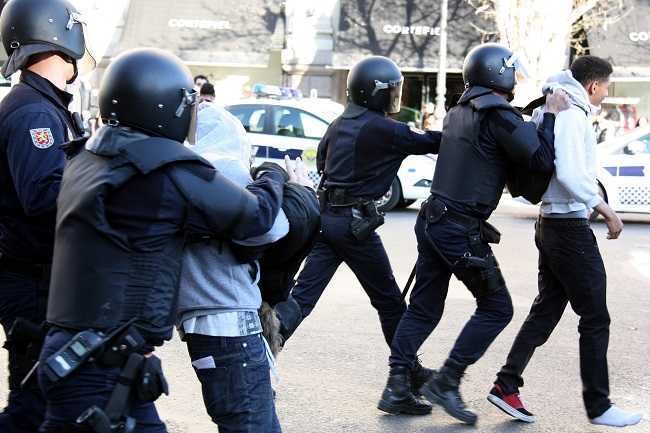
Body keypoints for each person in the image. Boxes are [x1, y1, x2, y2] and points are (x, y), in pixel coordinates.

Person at [36, 48, 288, 432]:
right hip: (98, 366)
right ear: (168, 104)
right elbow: (257, 217)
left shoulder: (86, 156)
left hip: (88, 356)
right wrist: (273, 174)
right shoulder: (163, 169)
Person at [380, 43, 570, 424]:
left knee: (423, 308)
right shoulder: (497, 114)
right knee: (497, 308)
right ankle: (447, 381)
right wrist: (548, 115)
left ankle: (397, 386)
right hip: (459, 228)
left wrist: (528, 114)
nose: (515, 78)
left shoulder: (459, 111)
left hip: (432, 219)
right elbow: (540, 159)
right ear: (499, 73)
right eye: (511, 71)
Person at [272, 55, 442, 413]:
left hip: (328, 219)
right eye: (393, 90)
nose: (395, 97)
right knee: (390, 303)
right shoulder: (383, 128)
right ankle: (404, 379)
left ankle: (261, 354)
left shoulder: (338, 123)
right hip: (354, 225)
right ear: (378, 92)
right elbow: (433, 142)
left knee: (302, 298)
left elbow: (321, 162)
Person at [488, 56, 642, 428]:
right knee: (595, 318)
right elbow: (571, 173)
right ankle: (599, 406)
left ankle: (506, 384)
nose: (605, 94)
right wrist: (605, 209)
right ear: (593, 86)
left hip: (551, 225)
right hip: (569, 229)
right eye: (606, 87)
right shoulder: (573, 114)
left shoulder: (553, 107)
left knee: (547, 310)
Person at [177, 102, 311, 433]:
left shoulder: (179, 175)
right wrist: (295, 191)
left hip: (204, 326)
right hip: (230, 329)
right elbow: (269, 227)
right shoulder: (218, 171)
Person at [0, 1, 93, 431]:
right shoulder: (35, 111)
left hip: (41, 276)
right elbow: (43, 196)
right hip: (32, 280)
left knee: (45, 397)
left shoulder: (46, 106)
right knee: (34, 401)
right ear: (62, 38)